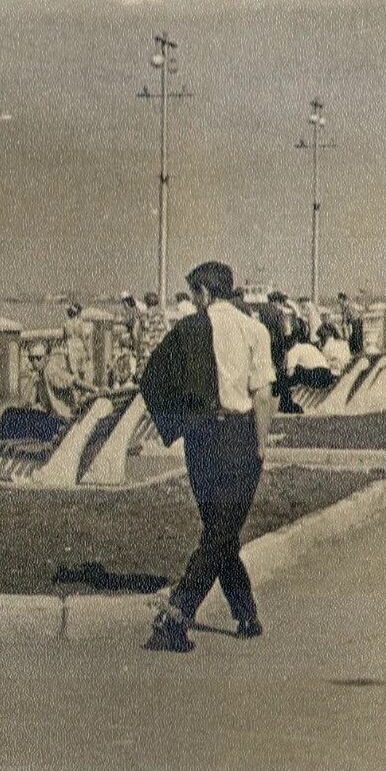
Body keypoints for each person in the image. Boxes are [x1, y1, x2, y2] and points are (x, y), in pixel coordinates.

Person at [139, 260, 274, 653]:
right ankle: (176, 615)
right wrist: (260, 445)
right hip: (237, 438)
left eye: (195, 296)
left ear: (203, 292)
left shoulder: (186, 330)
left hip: (200, 441)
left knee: (220, 530)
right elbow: (262, 395)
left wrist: (176, 425)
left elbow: (151, 379)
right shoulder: (255, 330)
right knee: (221, 531)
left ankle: (246, 614)